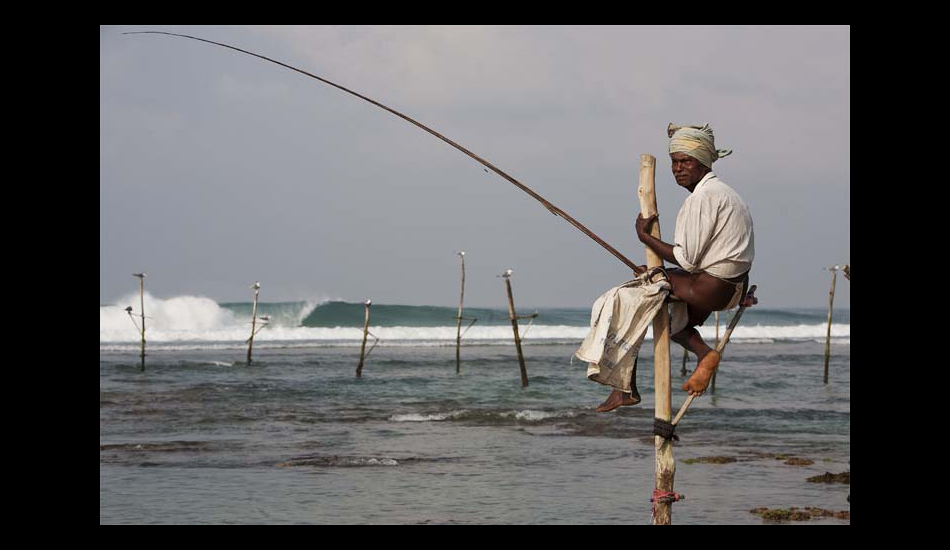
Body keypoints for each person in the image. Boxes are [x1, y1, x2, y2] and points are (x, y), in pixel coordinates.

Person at [596, 124, 756, 412]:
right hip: (730, 287)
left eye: (686, 162)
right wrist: (659, 271)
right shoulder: (727, 193)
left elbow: (687, 260)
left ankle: (623, 388)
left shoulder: (701, 199)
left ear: (702, 162)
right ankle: (704, 354)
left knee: (628, 299)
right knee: (668, 320)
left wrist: (645, 238)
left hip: (709, 287)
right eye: (675, 162)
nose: (678, 169)